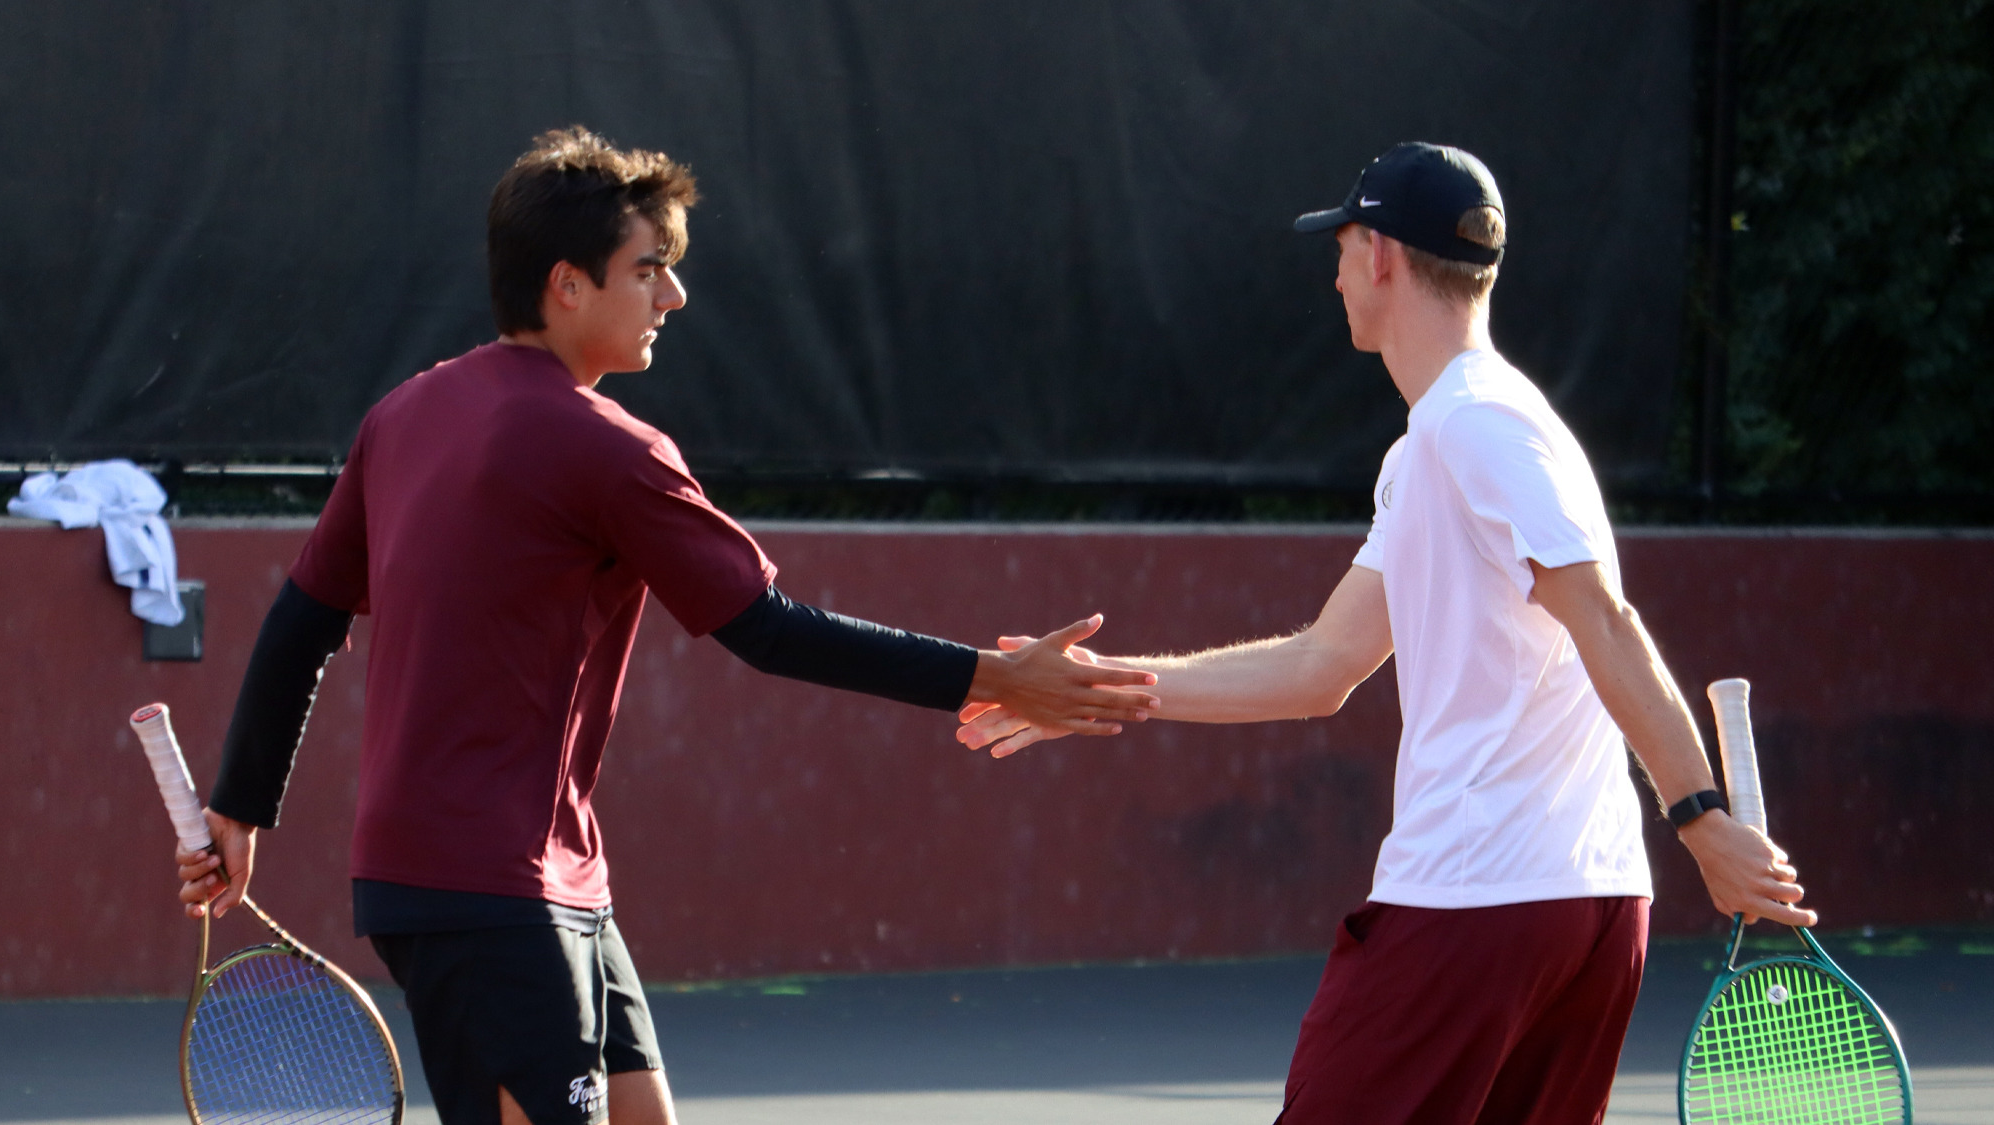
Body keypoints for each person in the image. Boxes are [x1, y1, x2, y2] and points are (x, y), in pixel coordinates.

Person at [172, 126, 1160, 1125]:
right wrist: (992, 677)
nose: (673, 297)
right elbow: (769, 631)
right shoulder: (608, 450)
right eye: (649, 271)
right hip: (484, 889)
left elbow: (301, 621)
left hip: (541, 878)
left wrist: (240, 809)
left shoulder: (401, 415)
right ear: (566, 285)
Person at [956, 142, 1817, 1124]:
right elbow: (1323, 665)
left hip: (1474, 908)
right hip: (1588, 911)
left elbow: (1602, 622)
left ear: (1378, 257)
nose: (1330, 274)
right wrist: (1096, 684)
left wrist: (1699, 820)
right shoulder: (1449, 442)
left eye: (1341, 245)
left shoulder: (1474, 426)